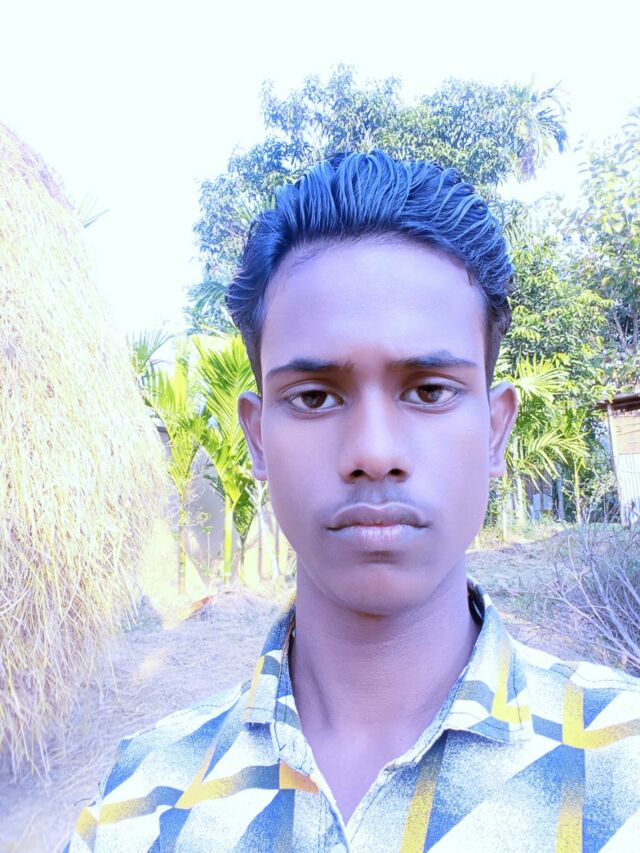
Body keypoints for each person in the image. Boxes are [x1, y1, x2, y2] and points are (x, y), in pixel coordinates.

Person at [66, 152, 640, 852]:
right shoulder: (139, 810)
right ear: (257, 438)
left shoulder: (624, 767)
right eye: (315, 397)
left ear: (495, 431)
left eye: (429, 390)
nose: (372, 450)